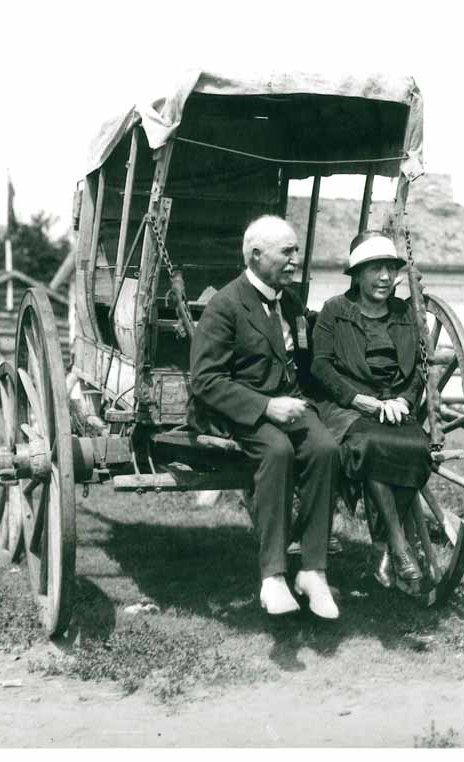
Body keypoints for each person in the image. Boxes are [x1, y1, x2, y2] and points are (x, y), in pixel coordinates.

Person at [189, 215, 340, 619]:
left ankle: (312, 569)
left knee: (325, 449)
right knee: (277, 453)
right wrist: (265, 406)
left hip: (290, 405)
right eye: (286, 252)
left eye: (295, 251)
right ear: (256, 256)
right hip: (239, 413)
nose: (295, 260)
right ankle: (273, 576)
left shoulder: (289, 302)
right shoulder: (224, 306)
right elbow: (205, 381)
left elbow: (308, 359)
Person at [311, 230, 433, 585]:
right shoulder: (335, 311)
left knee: (418, 450)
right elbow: (320, 366)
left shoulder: (405, 314)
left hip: (393, 406)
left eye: (389, 269)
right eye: (375, 269)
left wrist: (404, 400)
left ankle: (383, 547)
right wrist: (359, 400)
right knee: (370, 446)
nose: (384, 277)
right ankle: (396, 544)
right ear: (357, 274)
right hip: (347, 406)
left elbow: (419, 370)